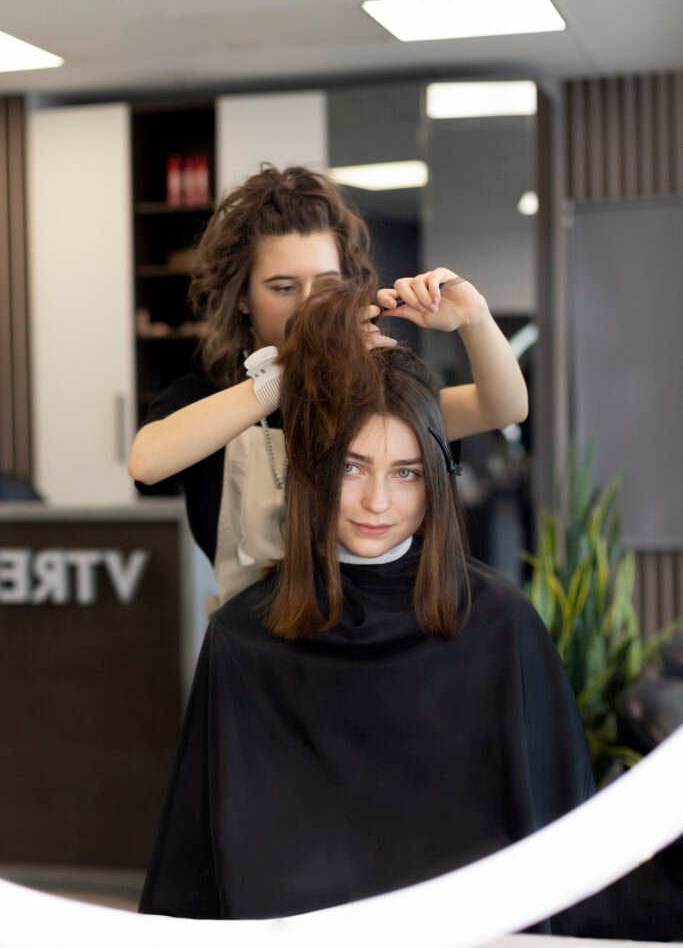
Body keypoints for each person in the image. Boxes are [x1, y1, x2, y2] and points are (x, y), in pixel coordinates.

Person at [139, 279, 594, 924]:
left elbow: (558, 847)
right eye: (352, 468)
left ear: (435, 479)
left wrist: (473, 319)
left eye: (406, 473)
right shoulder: (245, 639)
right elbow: (199, 875)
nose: (379, 502)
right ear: (312, 469)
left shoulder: (497, 623)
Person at [128, 164, 528, 607]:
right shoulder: (207, 395)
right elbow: (146, 462)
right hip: (253, 650)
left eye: (327, 284)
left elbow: (502, 408)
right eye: (282, 287)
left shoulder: (370, 391)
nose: (308, 304)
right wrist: (287, 375)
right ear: (242, 298)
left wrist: (475, 320)